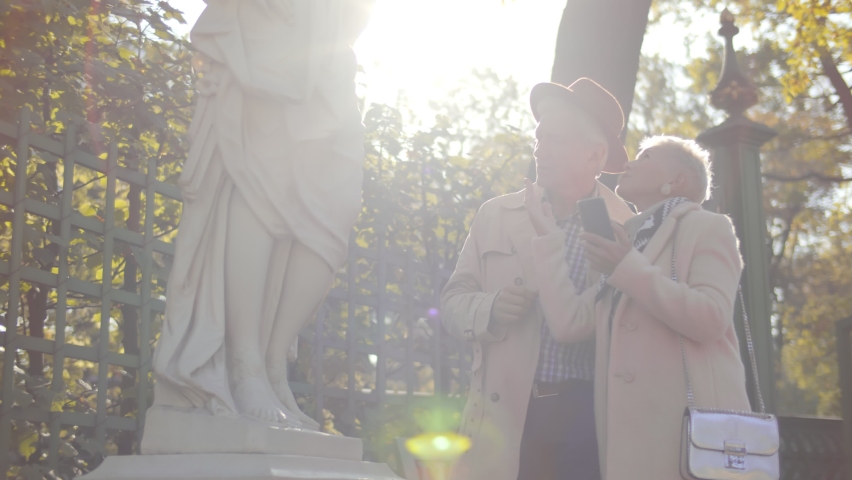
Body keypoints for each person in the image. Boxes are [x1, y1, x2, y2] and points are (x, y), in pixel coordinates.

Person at [441, 79, 634, 480]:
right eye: (539, 138)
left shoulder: (630, 228)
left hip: (590, 421)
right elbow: (452, 303)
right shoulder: (496, 214)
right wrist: (490, 307)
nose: (540, 151)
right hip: (505, 417)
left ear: (595, 156)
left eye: (557, 140)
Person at [526, 135, 751, 479]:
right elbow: (569, 323)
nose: (629, 162)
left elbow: (711, 317)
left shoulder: (707, 226)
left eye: (646, 157)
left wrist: (626, 265)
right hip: (626, 449)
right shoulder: (626, 240)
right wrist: (547, 239)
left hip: (690, 442)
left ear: (675, 181)